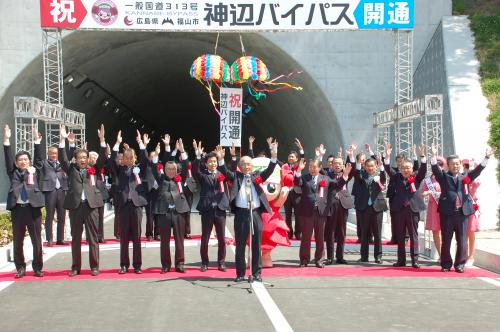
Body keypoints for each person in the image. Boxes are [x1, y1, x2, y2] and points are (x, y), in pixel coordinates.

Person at [216, 142, 278, 283]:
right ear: (239, 166)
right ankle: (240, 273)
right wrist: (220, 159)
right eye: (243, 164)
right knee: (241, 245)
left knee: (256, 245)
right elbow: (224, 171)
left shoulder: (257, 177)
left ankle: (256, 273)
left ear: (253, 165)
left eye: (248, 164)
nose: (246, 166)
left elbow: (269, 170)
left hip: (255, 213)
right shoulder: (236, 177)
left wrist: (274, 156)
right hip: (241, 215)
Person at [430, 145, 495, 272]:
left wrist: (486, 157)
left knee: (462, 240)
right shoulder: (443, 176)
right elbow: (435, 169)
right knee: (446, 240)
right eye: (453, 164)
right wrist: (433, 156)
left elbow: (477, 171)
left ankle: (460, 264)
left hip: (462, 213)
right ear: (448, 165)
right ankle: (446, 264)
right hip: (447, 213)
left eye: (457, 164)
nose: (456, 166)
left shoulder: (464, 177)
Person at [58, 124, 106, 277]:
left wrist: (102, 140)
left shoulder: (94, 169)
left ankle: (94, 266)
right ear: (76, 159)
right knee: (76, 238)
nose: (83, 160)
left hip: (91, 207)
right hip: (76, 207)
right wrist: (62, 140)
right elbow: (62, 158)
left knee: (93, 238)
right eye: (80, 158)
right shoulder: (71, 169)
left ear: (88, 159)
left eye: (85, 157)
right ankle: (75, 267)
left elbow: (103, 158)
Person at [294, 149, 351, 268]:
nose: (312, 169)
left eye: (314, 167)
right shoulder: (304, 178)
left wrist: (345, 175)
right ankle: (304, 259)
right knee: (306, 237)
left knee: (320, 237)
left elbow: (338, 185)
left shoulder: (325, 178)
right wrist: (299, 169)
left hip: (321, 211)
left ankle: (319, 259)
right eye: (310, 167)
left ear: (320, 167)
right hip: (307, 211)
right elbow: (297, 182)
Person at [3, 125, 45, 278]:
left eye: (25, 159)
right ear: (16, 162)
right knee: (18, 241)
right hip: (18, 210)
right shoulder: (13, 172)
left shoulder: (34, 170)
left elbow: (39, 160)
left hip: (33, 209)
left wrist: (36, 141)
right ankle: (20, 268)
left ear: (29, 161)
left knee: (36, 240)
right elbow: (7, 159)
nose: (23, 161)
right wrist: (7, 140)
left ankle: (37, 267)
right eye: (20, 160)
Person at [108, 129, 149, 274]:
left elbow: (145, 160)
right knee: (124, 237)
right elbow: (112, 161)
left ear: (134, 158)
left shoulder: (140, 169)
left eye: (131, 157)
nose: (129, 159)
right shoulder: (120, 170)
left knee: (137, 237)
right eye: (126, 157)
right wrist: (117, 144)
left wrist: (140, 143)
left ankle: (137, 265)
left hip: (136, 205)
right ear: (123, 159)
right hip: (124, 205)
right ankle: (124, 265)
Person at [384, 144, 427, 268]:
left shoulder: (416, 177)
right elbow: (387, 169)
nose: (405, 170)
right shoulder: (396, 177)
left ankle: (415, 261)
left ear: (412, 168)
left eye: (407, 168)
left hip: (413, 210)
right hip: (399, 210)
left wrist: (422, 156)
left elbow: (423, 169)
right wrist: (387, 156)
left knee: (413, 235)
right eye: (403, 168)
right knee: (400, 235)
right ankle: (401, 260)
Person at [152, 139, 190, 273]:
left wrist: (183, 151)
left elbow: (186, 165)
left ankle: (180, 264)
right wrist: (157, 154)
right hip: (164, 213)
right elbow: (154, 167)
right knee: (164, 242)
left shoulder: (181, 178)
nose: (171, 171)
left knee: (179, 240)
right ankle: (166, 265)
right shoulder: (161, 179)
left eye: (173, 169)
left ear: (176, 170)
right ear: (165, 170)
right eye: (168, 169)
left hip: (179, 212)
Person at [192, 140, 229, 272]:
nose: (213, 164)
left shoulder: (222, 174)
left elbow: (230, 174)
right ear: (206, 164)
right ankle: (204, 262)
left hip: (220, 210)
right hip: (207, 209)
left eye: (215, 161)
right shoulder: (203, 175)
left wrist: (222, 158)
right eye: (210, 162)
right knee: (205, 238)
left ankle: (221, 262)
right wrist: (197, 156)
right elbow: (195, 171)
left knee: (221, 238)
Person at [350, 150, 387, 264]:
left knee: (377, 234)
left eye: (372, 166)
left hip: (377, 208)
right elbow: (356, 174)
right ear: (364, 167)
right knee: (364, 234)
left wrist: (381, 168)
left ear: (375, 166)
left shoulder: (379, 176)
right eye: (368, 166)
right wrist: (356, 161)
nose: (370, 168)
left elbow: (383, 179)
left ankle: (378, 256)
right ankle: (364, 256)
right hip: (364, 208)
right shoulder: (361, 176)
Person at [33, 127, 68, 247]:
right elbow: (37, 159)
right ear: (48, 154)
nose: (54, 155)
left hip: (61, 190)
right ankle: (49, 238)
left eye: (55, 153)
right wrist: (37, 143)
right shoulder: (44, 163)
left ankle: (60, 238)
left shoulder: (62, 163)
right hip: (50, 191)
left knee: (62, 216)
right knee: (50, 216)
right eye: (51, 153)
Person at [322, 154, 354, 265]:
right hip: (331, 205)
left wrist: (351, 154)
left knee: (341, 231)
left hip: (343, 205)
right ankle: (330, 257)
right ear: (331, 164)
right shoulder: (327, 174)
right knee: (330, 231)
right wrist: (320, 156)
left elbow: (354, 168)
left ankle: (340, 256)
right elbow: (319, 169)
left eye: (340, 163)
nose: (338, 165)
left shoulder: (346, 174)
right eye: (335, 163)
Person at [422, 157, 446, 260]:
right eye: (436, 165)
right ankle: (441, 255)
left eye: (440, 164)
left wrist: (441, 194)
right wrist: (428, 192)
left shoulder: (446, 177)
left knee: (446, 232)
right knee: (436, 232)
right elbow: (422, 193)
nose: (438, 167)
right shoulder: (428, 180)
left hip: (445, 207)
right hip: (433, 208)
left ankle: (446, 254)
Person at [463, 159, 481, 266]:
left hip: (472, 206)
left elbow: (477, 182)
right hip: (462, 207)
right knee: (462, 232)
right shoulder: (462, 177)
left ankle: (471, 256)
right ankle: (463, 255)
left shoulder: (474, 179)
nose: (467, 167)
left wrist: (473, 169)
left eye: (469, 166)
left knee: (471, 231)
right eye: (466, 166)